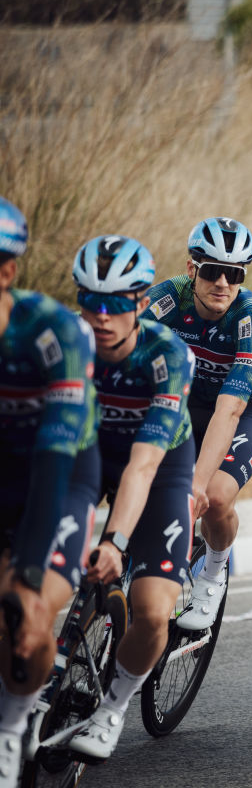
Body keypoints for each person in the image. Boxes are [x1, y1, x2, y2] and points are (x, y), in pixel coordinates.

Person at [63, 236, 195, 761]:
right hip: (87, 454)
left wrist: (115, 541)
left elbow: (142, 465)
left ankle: (113, 707)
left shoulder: (167, 355)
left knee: (154, 610)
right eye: (91, 301)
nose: (102, 316)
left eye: (117, 302)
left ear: (141, 302)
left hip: (159, 466)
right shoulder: (65, 343)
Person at [0, 200, 99, 787]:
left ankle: (11, 730)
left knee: (30, 614)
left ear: (7, 272)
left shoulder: (54, 332)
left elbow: (53, 460)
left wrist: (27, 572)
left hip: (57, 476)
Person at [141, 218, 252, 630]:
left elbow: (229, 410)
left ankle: (214, 570)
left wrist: (196, 489)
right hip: (180, 403)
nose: (222, 283)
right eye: (211, 271)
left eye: (233, 274)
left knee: (214, 497)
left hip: (239, 409)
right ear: (190, 269)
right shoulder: (165, 300)